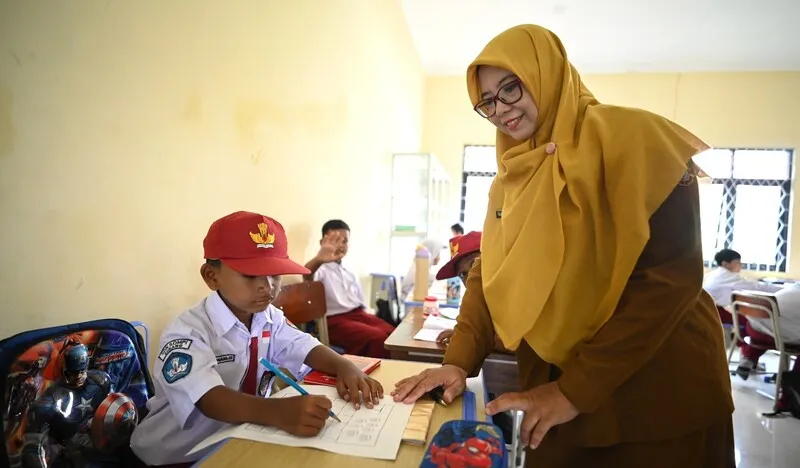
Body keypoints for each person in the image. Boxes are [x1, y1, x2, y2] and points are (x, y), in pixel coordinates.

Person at [392, 25, 735, 467]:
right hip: (553, 391)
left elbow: (670, 278)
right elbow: (489, 272)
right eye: (487, 102)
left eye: (511, 87)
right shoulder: (511, 180)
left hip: (658, 388)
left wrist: (575, 390)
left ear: (545, 73)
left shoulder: (636, 140)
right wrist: (458, 361)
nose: (501, 110)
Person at [130, 212, 383, 466]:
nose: (267, 286)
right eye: (251, 275)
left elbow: (303, 345)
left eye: (274, 274)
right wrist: (278, 412)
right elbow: (209, 399)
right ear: (211, 276)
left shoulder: (268, 317)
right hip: (179, 455)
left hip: (239, 438)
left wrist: (345, 366)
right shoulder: (188, 331)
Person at [303, 220, 395, 358]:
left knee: (392, 333)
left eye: (344, 241)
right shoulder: (320, 268)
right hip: (335, 321)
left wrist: (369, 316)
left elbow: (358, 298)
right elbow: (307, 274)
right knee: (377, 338)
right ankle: (370, 374)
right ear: (322, 242)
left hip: (357, 314)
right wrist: (319, 259)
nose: (341, 245)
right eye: (335, 241)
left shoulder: (349, 266)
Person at [432, 232, 508, 354]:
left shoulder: (514, 292)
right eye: (463, 274)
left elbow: (522, 344)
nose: (470, 276)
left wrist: (471, 338)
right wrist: (465, 334)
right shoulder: (480, 300)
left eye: (474, 264)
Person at [736, 282, 800, 380]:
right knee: (780, 328)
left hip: (753, 329)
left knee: (772, 325)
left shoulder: (792, 288)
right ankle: (794, 380)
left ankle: (749, 358)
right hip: (778, 337)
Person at [703, 248, 781, 324]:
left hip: (714, 311)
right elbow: (756, 287)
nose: (741, 265)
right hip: (720, 314)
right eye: (737, 262)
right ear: (725, 264)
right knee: (760, 318)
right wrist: (785, 289)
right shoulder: (726, 277)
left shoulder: (716, 274)